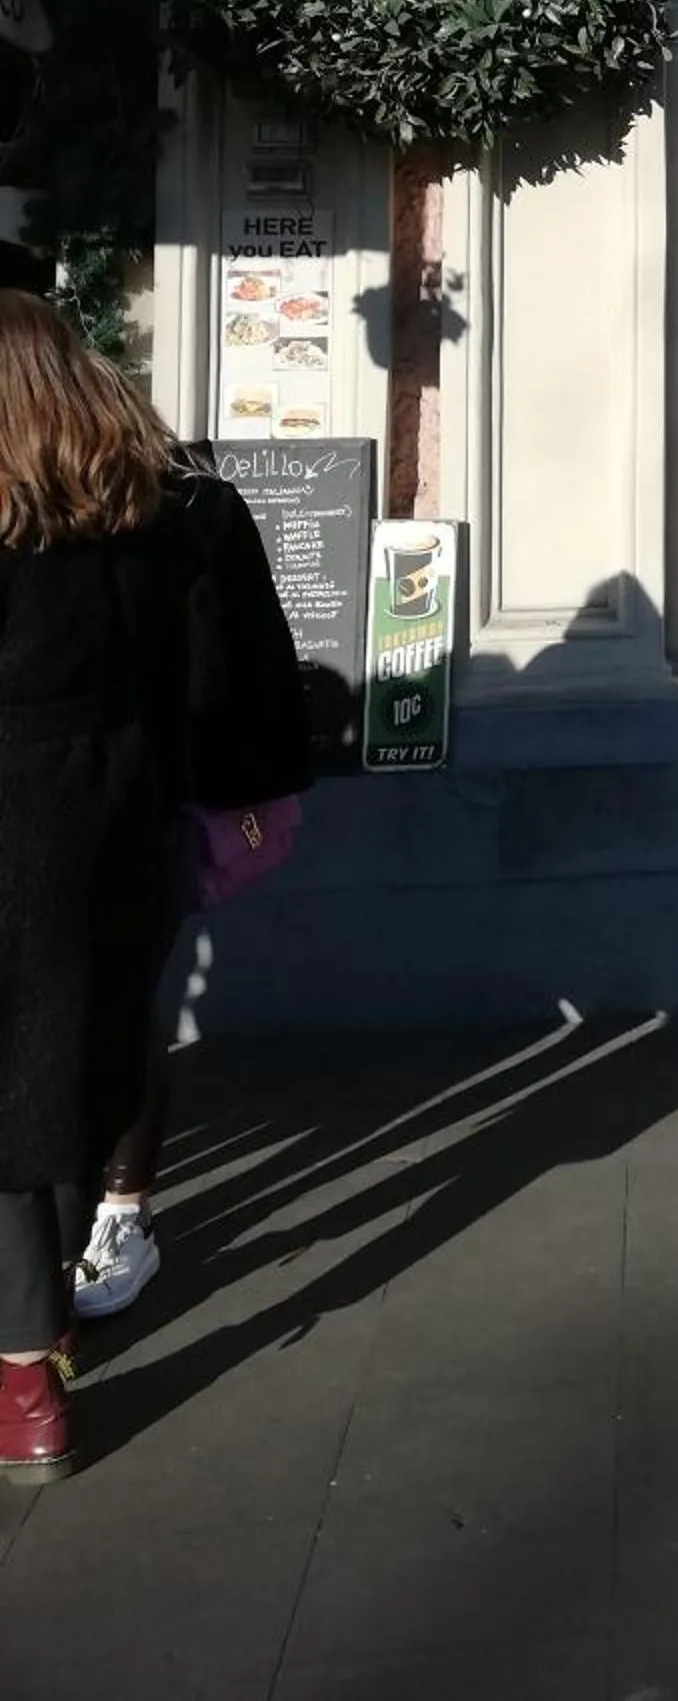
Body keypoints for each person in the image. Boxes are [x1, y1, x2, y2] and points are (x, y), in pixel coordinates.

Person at [0, 292, 309, 1480]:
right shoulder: (160, 507)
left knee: (16, 1089)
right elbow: (228, 678)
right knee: (79, 1053)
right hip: (117, 816)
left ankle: (28, 1372)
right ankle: (58, 1301)